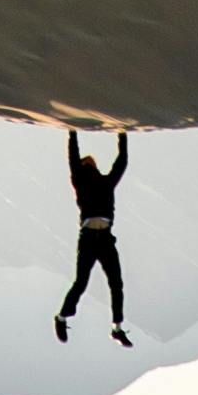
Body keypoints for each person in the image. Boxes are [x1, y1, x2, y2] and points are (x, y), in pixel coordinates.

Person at [55, 124, 132, 348]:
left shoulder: (99, 182)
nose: (89, 162)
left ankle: (116, 328)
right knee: (86, 282)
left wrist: (122, 134)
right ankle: (62, 318)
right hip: (95, 238)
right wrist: (122, 134)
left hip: (98, 237)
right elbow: (121, 162)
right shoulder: (88, 181)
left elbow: (120, 162)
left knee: (113, 283)